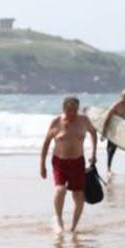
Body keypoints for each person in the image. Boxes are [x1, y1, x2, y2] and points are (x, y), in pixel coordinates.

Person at [40, 96, 98, 231]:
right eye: (68, 110)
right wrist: (42, 164)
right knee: (60, 190)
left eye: (74, 110)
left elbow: (93, 133)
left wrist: (94, 154)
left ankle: (73, 227)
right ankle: (59, 220)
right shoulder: (56, 122)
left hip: (78, 162)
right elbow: (46, 143)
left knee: (78, 195)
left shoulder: (83, 120)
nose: (71, 113)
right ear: (64, 109)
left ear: (77, 109)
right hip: (59, 162)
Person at [103, 90, 125, 174]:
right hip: (114, 130)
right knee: (111, 149)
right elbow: (107, 117)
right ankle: (108, 169)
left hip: (123, 130)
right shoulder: (116, 105)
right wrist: (104, 131)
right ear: (121, 95)